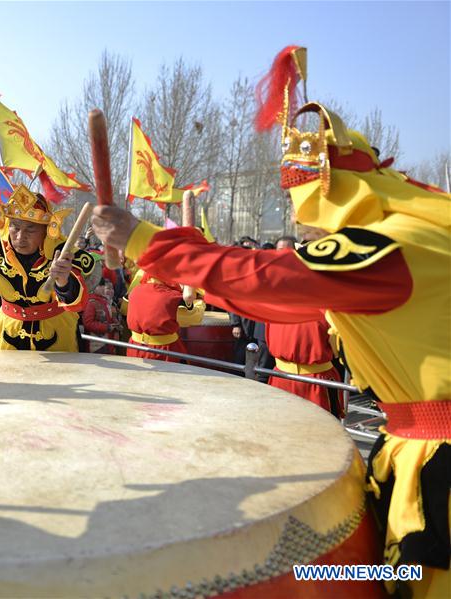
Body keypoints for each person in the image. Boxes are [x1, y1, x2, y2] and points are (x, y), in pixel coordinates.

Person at [91, 46, 449, 597]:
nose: (305, 226)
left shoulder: (393, 247)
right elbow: (271, 294)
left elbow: (266, 281)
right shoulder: (420, 232)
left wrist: (143, 240)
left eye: (306, 209)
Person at [0, 184, 94, 351]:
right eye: (15, 227)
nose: (20, 237)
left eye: (30, 229)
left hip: (57, 334)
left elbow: (77, 304)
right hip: (9, 334)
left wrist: (63, 281)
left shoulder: (63, 252)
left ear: (46, 230)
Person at [82, 278, 120, 353]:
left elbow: (109, 318)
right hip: (96, 345)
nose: (103, 287)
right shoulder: (90, 302)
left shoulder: (105, 301)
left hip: (107, 342)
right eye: (100, 286)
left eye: (103, 285)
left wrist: (115, 325)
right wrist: (107, 327)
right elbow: (88, 323)